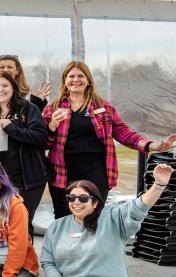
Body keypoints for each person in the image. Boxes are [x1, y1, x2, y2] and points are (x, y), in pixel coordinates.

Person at [38, 164, 173, 277]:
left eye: (83, 198)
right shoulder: (57, 226)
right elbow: (48, 262)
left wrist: (158, 185)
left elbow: (138, 207)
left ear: (95, 203)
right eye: (71, 198)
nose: (76, 202)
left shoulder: (111, 218)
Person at [42, 61, 175, 218]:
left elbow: (124, 133)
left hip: (95, 171)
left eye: (80, 76)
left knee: (93, 217)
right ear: (65, 80)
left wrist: (152, 145)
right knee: (63, 218)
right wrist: (51, 126)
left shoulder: (103, 107)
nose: (76, 80)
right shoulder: (52, 108)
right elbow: (42, 142)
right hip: (62, 171)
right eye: (71, 76)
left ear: (88, 80)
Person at [0, 72, 49, 231]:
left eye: (5, 85)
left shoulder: (28, 109)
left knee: (22, 223)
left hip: (29, 179)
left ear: (13, 88)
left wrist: (10, 127)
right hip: (2, 179)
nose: (1, 90)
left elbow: (40, 137)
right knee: (3, 225)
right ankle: (7, 256)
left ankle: (25, 256)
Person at [0, 22, 52, 110]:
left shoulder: (25, 93)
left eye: (9, 67)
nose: (5, 70)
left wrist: (37, 101)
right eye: (2, 67)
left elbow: (30, 118)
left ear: (17, 71)